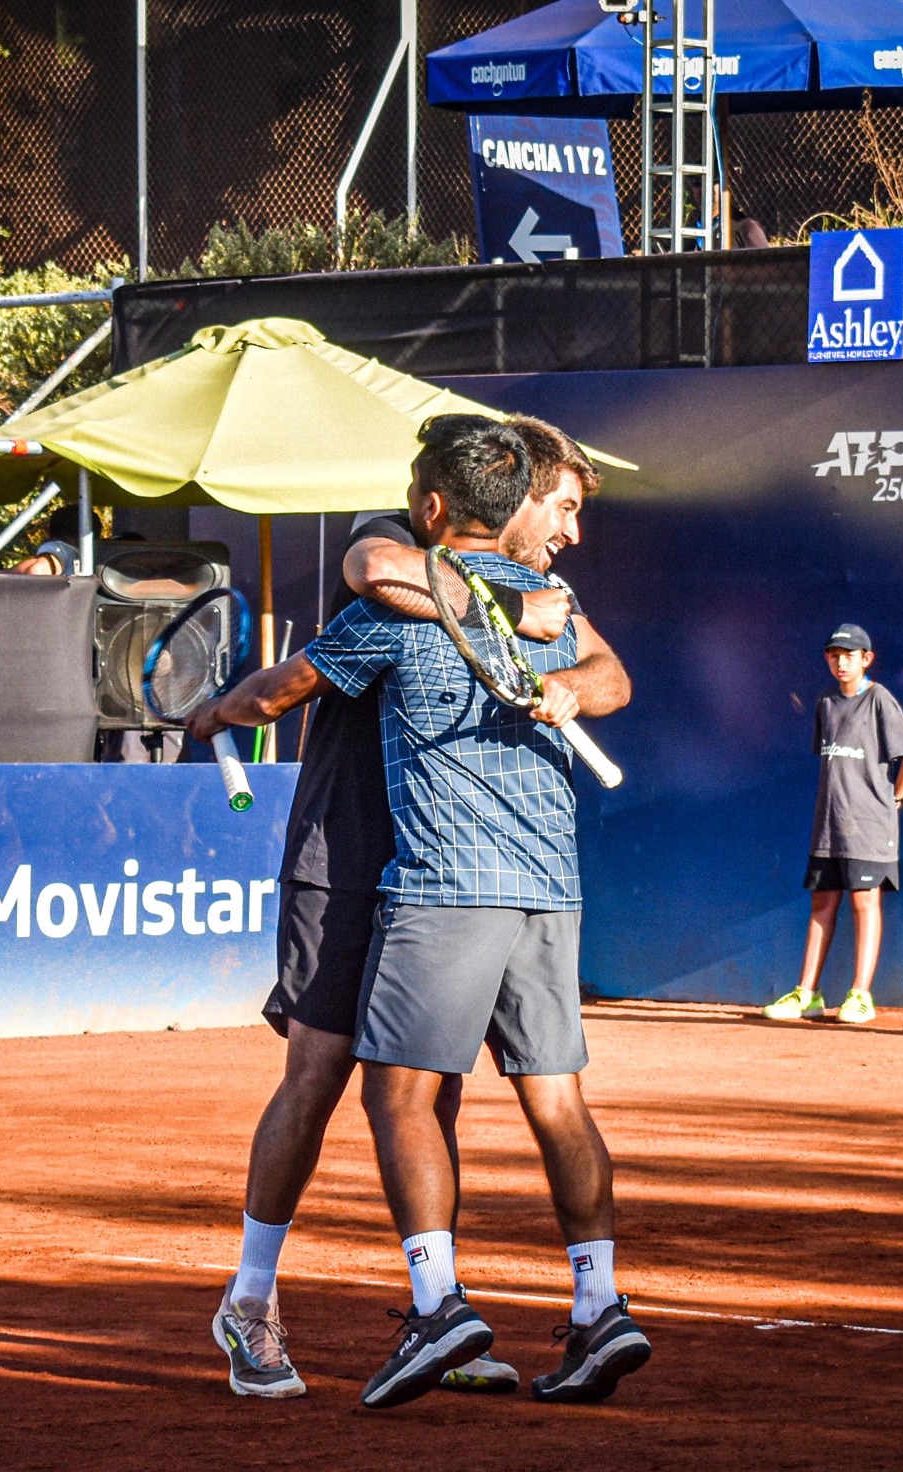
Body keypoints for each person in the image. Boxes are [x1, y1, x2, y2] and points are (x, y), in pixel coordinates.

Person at [201, 417, 644, 1410]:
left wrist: (566, 680)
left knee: (422, 1092)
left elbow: (608, 672)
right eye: (559, 508)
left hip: (445, 872)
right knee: (322, 1077)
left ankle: (440, 1306)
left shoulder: (547, 598)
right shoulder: (400, 555)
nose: (566, 532)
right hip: (347, 851)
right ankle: (253, 1299)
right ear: (507, 500)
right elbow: (367, 575)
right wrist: (485, 597)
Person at [761, 625, 903, 1026]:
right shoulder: (826, 703)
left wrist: (896, 798)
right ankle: (807, 995)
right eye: (834, 654)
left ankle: (860, 996)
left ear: (867, 659)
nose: (841, 661)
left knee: (864, 903)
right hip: (829, 826)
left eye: (850, 654)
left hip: (870, 824)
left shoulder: (880, 700)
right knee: (822, 903)